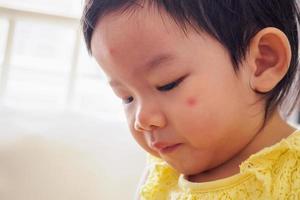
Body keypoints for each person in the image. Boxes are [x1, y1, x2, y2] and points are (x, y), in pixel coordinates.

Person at [81, 0, 300, 199]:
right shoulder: (161, 174)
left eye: (168, 83)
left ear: (263, 62)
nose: (142, 119)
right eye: (126, 97)